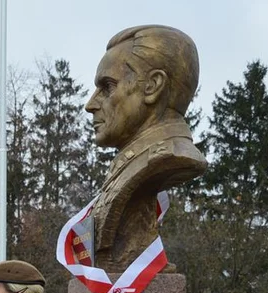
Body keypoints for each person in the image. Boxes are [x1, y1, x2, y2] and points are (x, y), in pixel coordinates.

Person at [86, 25, 206, 271]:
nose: (91, 104)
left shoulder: (167, 157)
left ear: (152, 86)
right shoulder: (130, 162)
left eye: (107, 86)